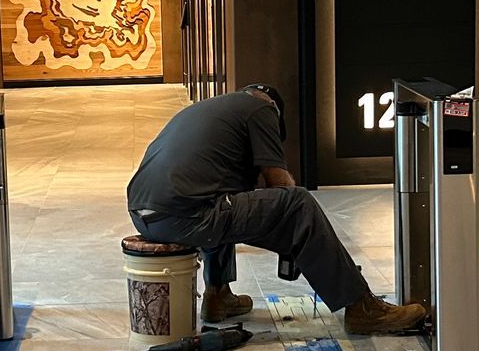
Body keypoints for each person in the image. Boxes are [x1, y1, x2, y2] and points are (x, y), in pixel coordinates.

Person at [127, 85, 429, 335]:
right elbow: (279, 183)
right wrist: (295, 233)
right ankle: (362, 309)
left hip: (144, 214)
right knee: (298, 203)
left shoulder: (214, 110)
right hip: (185, 215)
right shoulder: (262, 109)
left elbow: (230, 193)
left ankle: (218, 295)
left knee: (224, 200)